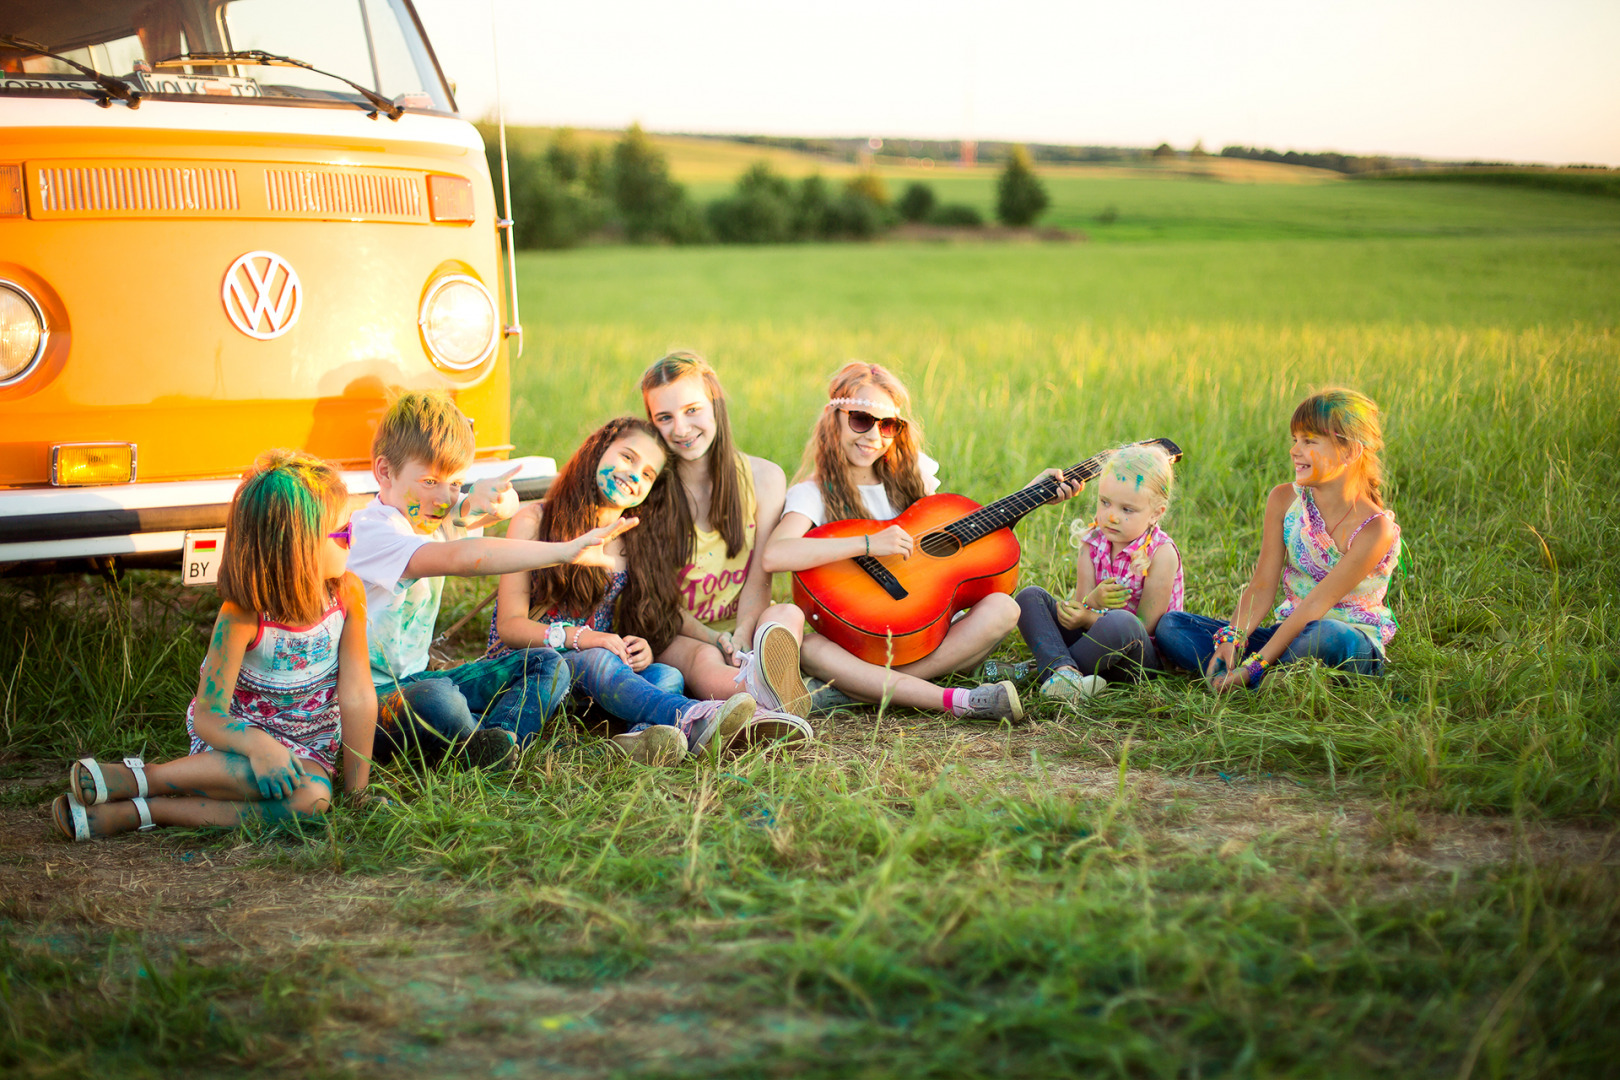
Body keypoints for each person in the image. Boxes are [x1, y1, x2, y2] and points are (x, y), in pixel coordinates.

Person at [54, 451, 378, 840]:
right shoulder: (242, 615)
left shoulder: (347, 594)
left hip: (310, 748)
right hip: (235, 742)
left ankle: (146, 810)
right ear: (297, 548)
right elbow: (208, 715)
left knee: (312, 800)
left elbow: (358, 694)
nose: (352, 539)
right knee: (255, 775)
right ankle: (146, 778)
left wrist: (357, 794)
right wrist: (257, 745)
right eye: (342, 533)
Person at [763, 362, 1081, 722]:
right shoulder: (814, 493)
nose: (873, 436)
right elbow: (776, 554)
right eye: (861, 420)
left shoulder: (911, 479)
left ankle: (860, 692)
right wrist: (868, 544)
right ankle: (950, 697)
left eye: (888, 425)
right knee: (808, 647)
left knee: (1004, 609)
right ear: (832, 417)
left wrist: (1031, 493)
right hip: (855, 638)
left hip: (924, 631)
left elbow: (964, 535)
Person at [489, 416, 805, 762]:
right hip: (529, 667)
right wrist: (586, 638)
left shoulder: (633, 539)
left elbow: (653, 612)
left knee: (666, 674)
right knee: (596, 659)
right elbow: (510, 626)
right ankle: (698, 718)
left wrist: (641, 647)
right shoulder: (535, 520)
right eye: (627, 458)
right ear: (597, 450)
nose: (633, 475)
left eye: (647, 474)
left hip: (593, 679)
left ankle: (639, 740)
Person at [348, 391, 622, 769]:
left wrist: (493, 497)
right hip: (365, 702)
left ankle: (499, 740)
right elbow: (465, 557)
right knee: (437, 698)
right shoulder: (373, 533)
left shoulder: (432, 511)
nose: (444, 499)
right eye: (430, 481)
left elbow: (495, 509)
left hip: (417, 680)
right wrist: (560, 551)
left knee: (545, 663)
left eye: (455, 483)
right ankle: (475, 741)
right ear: (384, 472)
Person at [1156, 388, 1401, 690]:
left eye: (1309, 441)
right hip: (1287, 636)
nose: (1294, 450)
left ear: (1350, 451)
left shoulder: (1375, 529)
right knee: (1172, 627)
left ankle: (1261, 676)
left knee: (1327, 636)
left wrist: (1254, 666)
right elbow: (1261, 585)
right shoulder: (1284, 499)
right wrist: (1233, 638)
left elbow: (1316, 605)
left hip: (1347, 643)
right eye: (1295, 439)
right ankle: (1279, 676)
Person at [640, 351, 811, 717]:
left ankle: (767, 679)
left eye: (692, 410)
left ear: (715, 403)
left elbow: (759, 579)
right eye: (664, 418)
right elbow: (658, 599)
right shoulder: (648, 492)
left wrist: (744, 635)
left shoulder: (765, 478)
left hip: (743, 626)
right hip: (680, 631)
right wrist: (716, 641)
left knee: (787, 613)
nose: (681, 429)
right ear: (652, 424)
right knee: (703, 657)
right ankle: (761, 696)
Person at [1014, 443, 1183, 702]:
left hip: (1137, 659)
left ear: (1156, 513)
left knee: (1121, 622)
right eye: (1105, 503)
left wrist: (1089, 617)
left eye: (1127, 510)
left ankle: (1038, 672)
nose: (1111, 517)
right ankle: (1065, 674)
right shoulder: (1092, 543)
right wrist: (1088, 605)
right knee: (1029, 597)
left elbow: (1144, 626)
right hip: (1094, 645)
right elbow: (1082, 604)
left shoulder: (1161, 554)